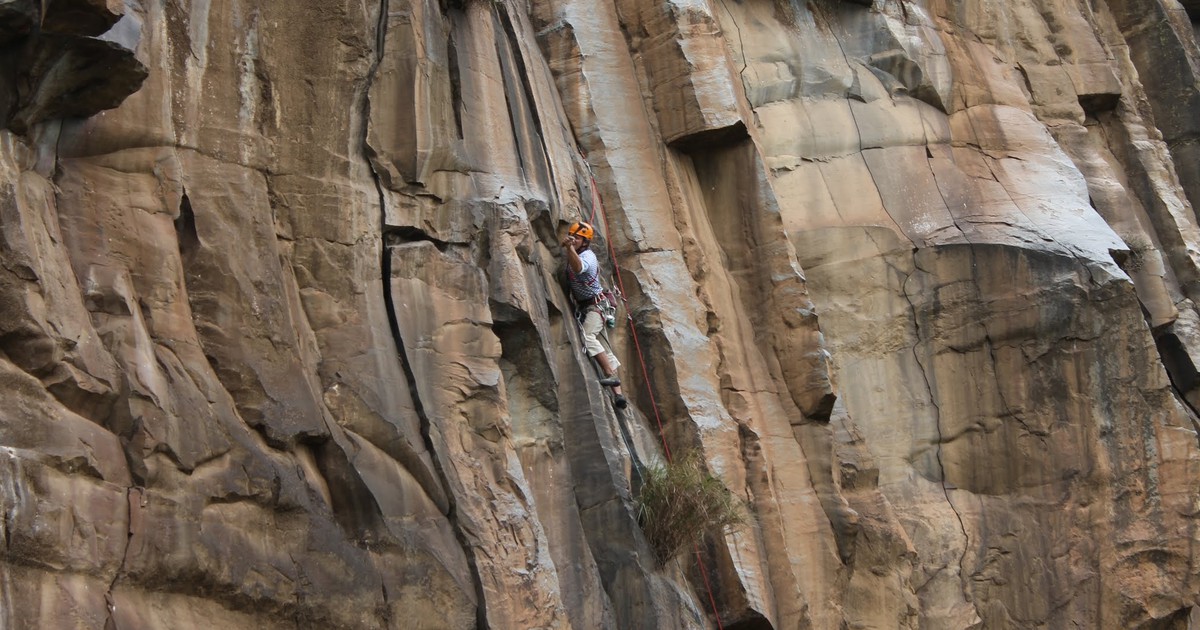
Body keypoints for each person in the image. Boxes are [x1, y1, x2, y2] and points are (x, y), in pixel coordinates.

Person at [561, 221, 627, 409]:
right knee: (603, 347)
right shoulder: (575, 252)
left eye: (577, 238)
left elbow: (579, 268)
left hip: (596, 306)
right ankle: (618, 396)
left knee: (587, 336)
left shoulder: (588, 256)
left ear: (585, 241)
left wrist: (569, 248)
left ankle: (611, 375)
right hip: (588, 306)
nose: (573, 240)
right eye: (571, 236)